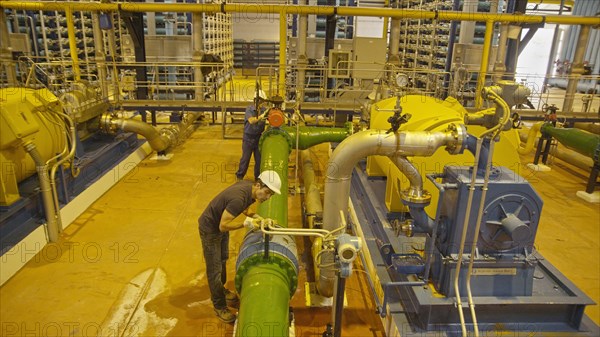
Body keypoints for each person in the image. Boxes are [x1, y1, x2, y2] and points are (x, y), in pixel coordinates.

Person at [198, 170, 282, 323]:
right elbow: (223, 226)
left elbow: (245, 209)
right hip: (210, 229)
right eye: (267, 193)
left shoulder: (248, 189)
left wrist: (260, 219)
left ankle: (221, 290)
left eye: (271, 195)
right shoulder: (238, 197)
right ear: (258, 185)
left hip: (218, 227)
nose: (268, 197)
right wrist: (245, 224)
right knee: (214, 269)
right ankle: (219, 306)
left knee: (223, 258)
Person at [235, 90, 268, 181]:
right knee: (245, 159)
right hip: (248, 139)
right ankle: (240, 176)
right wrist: (262, 116)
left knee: (259, 160)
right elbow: (251, 121)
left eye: (263, 102)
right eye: (261, 102)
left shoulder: (264, 110)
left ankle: (257, 178)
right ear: (256, 101)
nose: (262, 104)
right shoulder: (249, 109)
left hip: (259, 138)